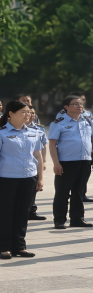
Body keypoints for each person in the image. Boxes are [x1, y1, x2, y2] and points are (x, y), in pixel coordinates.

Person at [0, 101, 44, 259]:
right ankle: (4, 247)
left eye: (28, 112)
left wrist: (40, 178)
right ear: (11, 114)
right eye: (23, 112)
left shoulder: (34, 132)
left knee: (23, 213)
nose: (27, 114)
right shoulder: (2, 133)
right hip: (7, 178)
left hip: (28, 178)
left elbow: (38, 155)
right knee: (5, 213)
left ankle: (19, 246)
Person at [49, 95, 93, 229]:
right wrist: (56, 163)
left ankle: (77, 219)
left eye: (81, 104)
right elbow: (52, 144)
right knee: (62, 192)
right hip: (66, 162)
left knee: (79, 192)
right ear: (66, 107)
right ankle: (59, 219)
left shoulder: (87, 121)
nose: (79, 106)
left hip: (85, 161)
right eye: (75, 104)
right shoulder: (58, 123)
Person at [25, 107, 47, 221]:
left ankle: (32, 211)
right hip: (21, 164)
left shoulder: (39, 129)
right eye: (29, 112)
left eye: (33, 113)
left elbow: (43, 147)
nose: (31, 115)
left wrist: (44, 161)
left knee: (34, 188)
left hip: (34, 164)